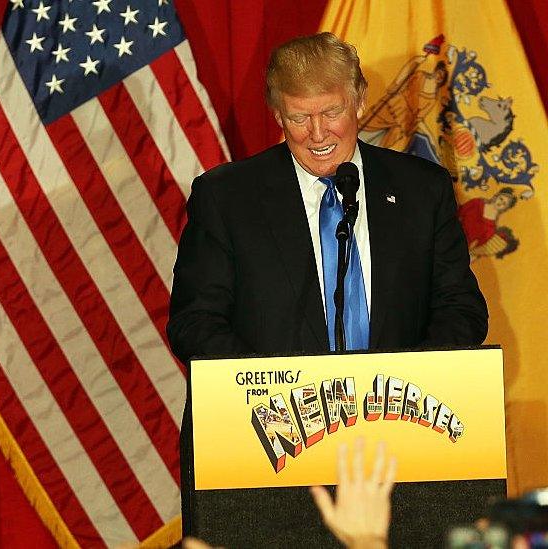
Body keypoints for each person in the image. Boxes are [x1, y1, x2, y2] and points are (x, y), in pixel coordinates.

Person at [167, 32, 487, 541]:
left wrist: (410, 383)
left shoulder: (422, 190)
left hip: (400, 457)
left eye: (331, 112)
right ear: (277, 114)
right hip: (267, 459)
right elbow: (194, 323)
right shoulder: (228, 197)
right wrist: (277, 394)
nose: (317, 133)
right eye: (298, 117)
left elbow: (461, 309)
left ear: (359, 99)